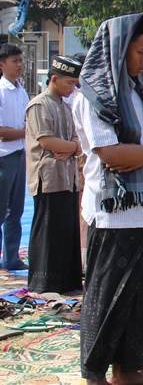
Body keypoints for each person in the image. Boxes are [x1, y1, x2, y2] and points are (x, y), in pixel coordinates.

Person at [75, 13, 143, 385]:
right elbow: (111, 154)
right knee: (107, 297)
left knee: (135, 297)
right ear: (117, 52)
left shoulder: (137, 92)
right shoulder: (95, 96)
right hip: (112, 214)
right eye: (140, 53)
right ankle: (94, 372)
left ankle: (128, 370)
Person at [26, 55, 84, 294]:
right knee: (48, 232)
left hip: (68, 177)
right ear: (54, 79)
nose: (73, 88)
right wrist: (70, 147)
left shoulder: (65, 105)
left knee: (67, 232)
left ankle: (67, 282)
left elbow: (78, 142)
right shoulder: (40, 104)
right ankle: (43, 283)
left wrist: (69, 148)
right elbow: (48, 141)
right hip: (48, 178)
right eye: (69, 83)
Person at [0, 43, 29, 270]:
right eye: (15, 61)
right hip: (4, 158)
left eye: (21, 60)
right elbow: (2, 132)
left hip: (19, 155)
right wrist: (26, 133)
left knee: (16, 211)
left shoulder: (22, 90)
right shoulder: (1, 91)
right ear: (2, 65)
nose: (20, 65)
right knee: (1, 210)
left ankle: (11, 258)